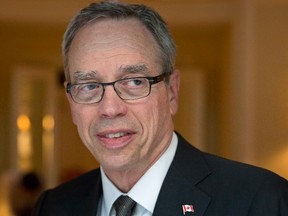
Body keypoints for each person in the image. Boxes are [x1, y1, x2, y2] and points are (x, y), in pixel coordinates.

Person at [32, 1, 288, 215]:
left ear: (172, 92)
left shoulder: (260, 200)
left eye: (134, 82)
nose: (110, 108)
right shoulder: (53, 206)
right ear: (71, 102)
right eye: (88, 85)